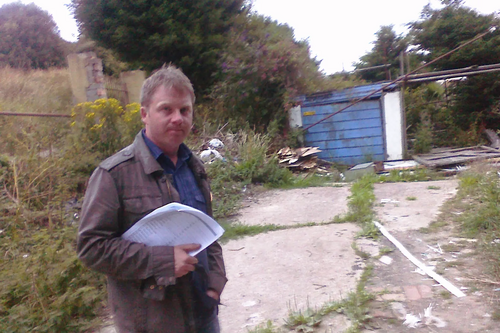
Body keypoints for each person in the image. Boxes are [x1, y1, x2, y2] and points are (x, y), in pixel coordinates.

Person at [77, 65, 227, 333]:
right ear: (144, 114)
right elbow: (91, 247)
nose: (178, 118)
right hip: (152, 322)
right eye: (166, 109)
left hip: (204, 313)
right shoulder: (113, 174)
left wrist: (215, 284)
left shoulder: (195, 167)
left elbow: (209, 233)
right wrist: (164, 261)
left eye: (184, 110)